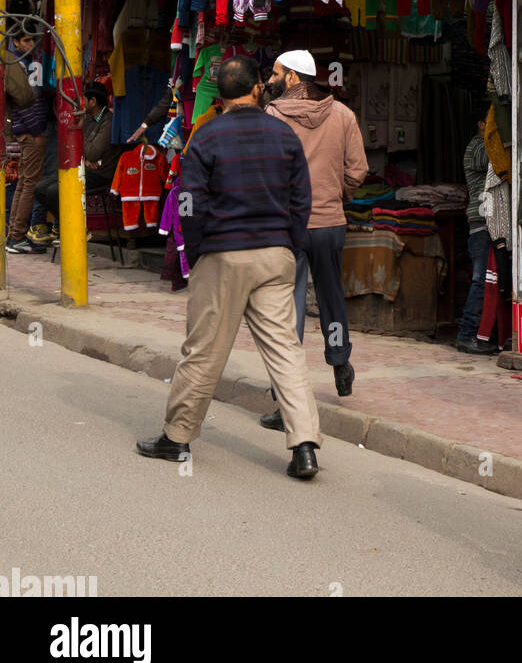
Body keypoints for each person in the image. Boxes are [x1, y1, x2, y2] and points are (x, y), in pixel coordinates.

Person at [137, 55, 322, 479]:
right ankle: (305, 445)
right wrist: (290, 244)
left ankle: (178, 438)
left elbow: (188, 202)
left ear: (218, 96)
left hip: (222, 254)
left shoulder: (205, 137)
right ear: (258, 88)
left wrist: (197, 249)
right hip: (275, 254)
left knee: (203, 349)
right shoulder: (284, 135)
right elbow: (302, 200)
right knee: (285, 351)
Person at [259, 49, 368, 425]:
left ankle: (285, 397)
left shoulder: (273, 117)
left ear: (293, 78)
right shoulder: (342, 114)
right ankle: (340, 364)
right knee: (331, 296)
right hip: (330, 224)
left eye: (276, 73)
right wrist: (339, 195)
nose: (270, 79)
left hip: (289, 225)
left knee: (287, 308)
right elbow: (358, 170)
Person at [29, 82, 120, 250]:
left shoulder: (108, 121)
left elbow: (92, 153)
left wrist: (79, 131)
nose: (80, 103)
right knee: (41, 188)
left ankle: (77, 227)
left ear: (93, 101)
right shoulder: (89, 118)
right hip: (85, 168)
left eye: (83, 99)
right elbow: (86, 153)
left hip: (101, 174)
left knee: (54, 190)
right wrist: (85, 153)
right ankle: (71, 225)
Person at [4, 31, 50, 254]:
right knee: (29, 183)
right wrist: (36, 132)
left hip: (26, 131)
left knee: (24, 182)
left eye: (33, 40)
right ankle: (17, 236)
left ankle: (14, 234)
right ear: (15, 42)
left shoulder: (22, 63)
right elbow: (24, 104)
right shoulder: (17, 65)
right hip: (30, 133)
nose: (31, 44)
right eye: (26, 40)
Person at [457, 111, 493, 354]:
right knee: (480, 280)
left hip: (487, 220)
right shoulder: (477, 146)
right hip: (480, 221)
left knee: (487, 280)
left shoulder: (482, 144)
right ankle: (466, 334)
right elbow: (492, 159)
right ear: (481, 124)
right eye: (489, 122)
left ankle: (480, 334)